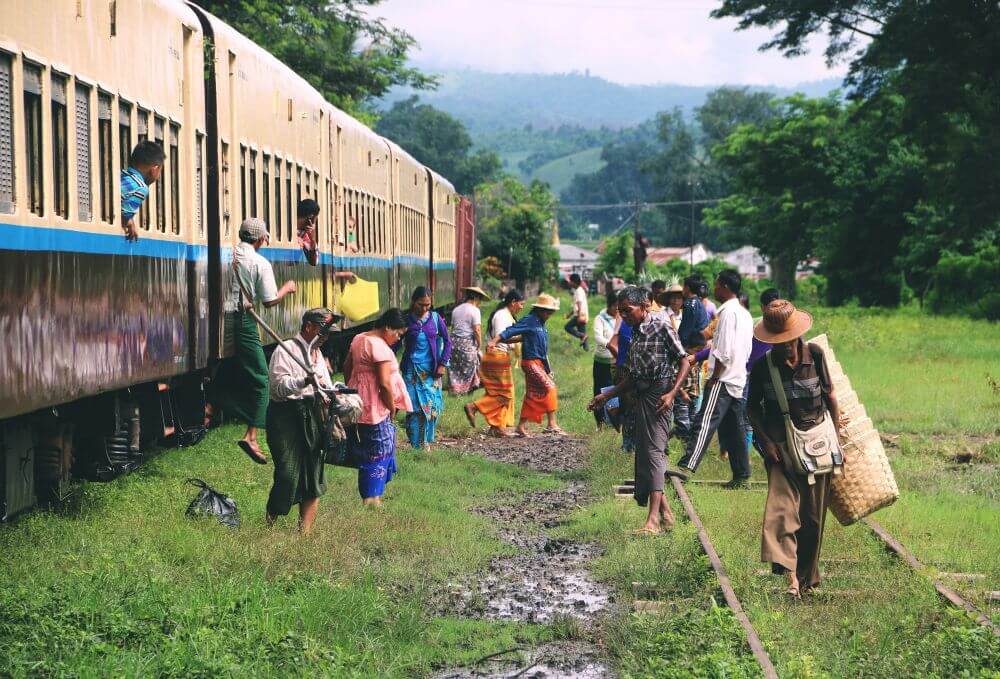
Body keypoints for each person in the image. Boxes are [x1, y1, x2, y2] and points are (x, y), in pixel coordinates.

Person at [747, 300, 845, 598]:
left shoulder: (815, 355)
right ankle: (791, 579)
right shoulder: (764, 366)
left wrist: (838, 440)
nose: (784, 347)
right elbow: (752, 409)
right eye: (777, 342)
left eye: (787, 340)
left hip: (816, 446)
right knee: (781, 511)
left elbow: (830, 397)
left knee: (813, 518)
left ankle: (807, 578)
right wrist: (766, 441)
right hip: (781, 449)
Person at [589, 286, 691, 535]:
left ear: (645, 306)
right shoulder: (634, 331)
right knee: (644, 454)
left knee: (654, 453)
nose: (624, 315)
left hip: (660, 395)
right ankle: (666, 515)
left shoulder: (661, 325)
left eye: (628, 310)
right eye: (621, 311)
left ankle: (653, 521)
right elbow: (633, 377)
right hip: (641, 395)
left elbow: (685, 360)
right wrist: (606, 395)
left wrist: (672, 393)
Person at [208, 218, 297, 464]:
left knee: (231, 368)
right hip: (244, 321)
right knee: (261, 379)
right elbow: (269, 301)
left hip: (221, 317)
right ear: (261, 239)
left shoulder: (227, 253)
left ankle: (212, 405)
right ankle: (252, 435)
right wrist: (287, 289)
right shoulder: (260, 263)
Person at [675, 270, 754, 486]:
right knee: (734, 428)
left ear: (726, 287)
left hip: (723, 377)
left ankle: (686, 466)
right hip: (738, 377)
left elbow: (724, 351)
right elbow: (745, 349)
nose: (714, 289)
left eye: (717, 285)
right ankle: (741, 475)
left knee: (704, 422)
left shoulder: (728, 314)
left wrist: (715, 377)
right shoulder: (745, 314)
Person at [264, 308, 336, 533]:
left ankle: (303, 535)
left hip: (313, 415)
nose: (326, 336)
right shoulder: (285, 350)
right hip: (286, 416)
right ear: (308, 327)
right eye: (323, 330)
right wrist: (304, 380)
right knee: (287, 473)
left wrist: (329, 394)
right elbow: (278, 388)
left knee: (313, 474)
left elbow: (325, 385)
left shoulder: (317, 353)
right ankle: (269, 525)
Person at [343, 309, 413, 505]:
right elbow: (384, 384)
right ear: (388, 327)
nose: (397, 338)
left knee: (369, 449)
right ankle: (372, 498)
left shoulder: (359, 338)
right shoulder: (379, 346)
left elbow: (346, 366)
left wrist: (353, 388)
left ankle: (373, 496)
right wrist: (391, 408)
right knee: (379, 450)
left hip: (360, 403)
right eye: (397, 333)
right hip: (376, 407)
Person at [489, 293, 564, 437]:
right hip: (530, 363)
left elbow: (533, 344)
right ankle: (551, 424)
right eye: (548, 311)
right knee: (551, 388)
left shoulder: (541, 324)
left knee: (531, 395)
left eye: (551, 312)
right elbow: (511, 330)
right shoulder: (530, 320)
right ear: (540, 309)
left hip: (539, 363)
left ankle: (521, 427)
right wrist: (495, 341)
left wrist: (547, 368)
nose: (550, 314)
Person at [396, 287, 451, 450]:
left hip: (432, 372)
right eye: (421, 304)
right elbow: (395, 342)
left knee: (431, 407)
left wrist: (442, 364)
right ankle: (416, 445)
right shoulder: (406, 321)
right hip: (411, 371)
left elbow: (448, 342)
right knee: (414, 408)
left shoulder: (435, 318)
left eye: (428, 305)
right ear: (413, 302)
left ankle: (426, 440)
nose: (424, 308)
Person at [466, 289, 525, 437]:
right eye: (521, 304)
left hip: (500, 356)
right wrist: (520, 338)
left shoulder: (505, 315)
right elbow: (501, 337)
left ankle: (496, 427)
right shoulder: (501, 316)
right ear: (513, 302)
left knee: (497, 392)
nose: (522, 307)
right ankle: (474, 407)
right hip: (496, 357)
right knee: (505, 395)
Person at [120, 140, 164, 242]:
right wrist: (129, 221)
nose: (158, 176)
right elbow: (124, 215)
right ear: (154, 169)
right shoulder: (141, 188)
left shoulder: (121, 175)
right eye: (160, 171)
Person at [449, 287, 489, 394]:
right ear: (476, 298)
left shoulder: (456, 309)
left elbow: (453, 328)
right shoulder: (475, 310)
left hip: (453, 343)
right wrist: (479, 344)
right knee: (474, 363)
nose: (479, 303)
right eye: (479, 300)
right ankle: (468, 390)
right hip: (466, 343)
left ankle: (457, 390)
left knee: (456, 368)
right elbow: (477, 330)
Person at [591, 291, 619, 428]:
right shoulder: (600, 318)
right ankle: (600, 422)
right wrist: (610, 345)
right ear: (609, 306)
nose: (617, 310)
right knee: (599, 391)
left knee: (614, 390)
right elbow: (598, 337)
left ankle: (613, 422)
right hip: (602, 361)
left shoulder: (621, 318)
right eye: (614, 306)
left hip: (617, 362)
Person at [676, 275, 709, 349]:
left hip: (692, 347)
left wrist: (679, 345)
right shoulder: (699, 302)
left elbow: (685, 330)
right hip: (701, 344)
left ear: (687, 288)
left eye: (683, 286)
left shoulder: (689, 304)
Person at [564, 273, 590, 350]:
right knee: (583, 335)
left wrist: (578, 315)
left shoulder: (578, 291)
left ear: (574, 282)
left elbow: (579, 304)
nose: (569, 283)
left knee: (567, 327)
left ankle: (582, 336)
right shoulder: (580, 290)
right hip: (583, 315)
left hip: (580, 315)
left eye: (570, 281)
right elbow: (576, 306)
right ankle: (586, 350)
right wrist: (569, 315)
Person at [296, 199, 320, 266]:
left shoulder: (306, 236)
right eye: (315, 219)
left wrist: (313, 240)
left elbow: (315, 262)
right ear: (311, 217)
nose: (314, 224)